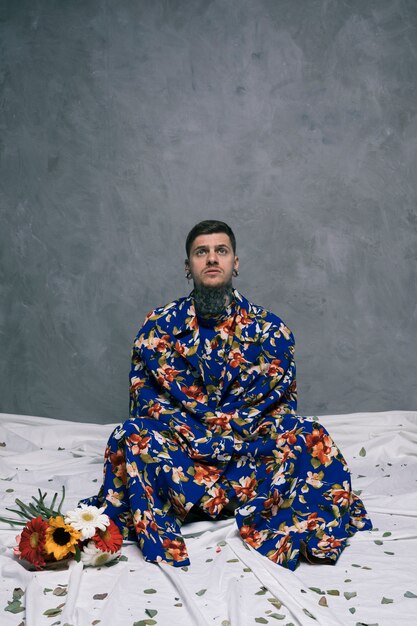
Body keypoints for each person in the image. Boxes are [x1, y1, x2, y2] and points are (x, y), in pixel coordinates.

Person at [81, 219, 371, 569]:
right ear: (188, 267)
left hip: (245, 460)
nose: (212, 259)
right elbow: (145, 401)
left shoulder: (271, 330)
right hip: (182, 460)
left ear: (236, 262)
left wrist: (224, 440)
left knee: (308, 433)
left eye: (221, 250)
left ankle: (240, 508)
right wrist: (197, 441)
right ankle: (185, 509)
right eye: (201, 252)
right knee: (130, 435)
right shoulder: (156, 326)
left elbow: (278, 407)